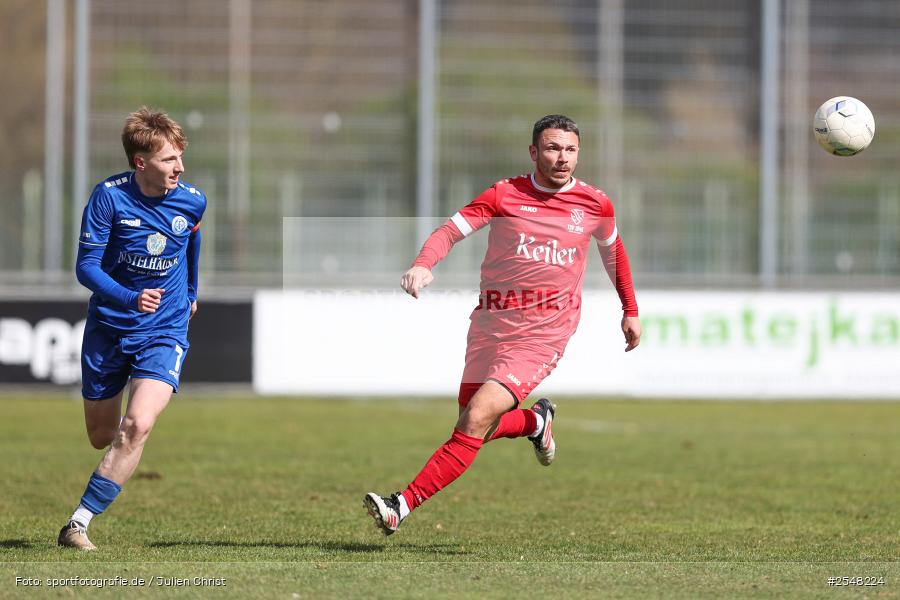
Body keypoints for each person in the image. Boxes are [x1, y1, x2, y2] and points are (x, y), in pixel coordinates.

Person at [364, 114, 641, 535]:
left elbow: (614, 253)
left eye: (570, 149)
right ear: (533, 152)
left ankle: (399, 505)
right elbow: (450, 231)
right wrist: (423, 264)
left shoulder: (594, 204)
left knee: (476, 418)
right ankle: (536, 423)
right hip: (491, 323)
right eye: (552, 148)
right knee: (473, 421)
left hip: (543, 333)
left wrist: (630, 309)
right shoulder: (504, 194)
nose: (562, 158)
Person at [57, 107, 207, 550]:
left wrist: (192, 291)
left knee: (138, 425)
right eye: (169, 159)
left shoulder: (192, 200)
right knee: (102, 435)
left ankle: (78, 523)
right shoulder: (108, 198)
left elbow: (192, 240)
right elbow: (86, 267)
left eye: (180, 156)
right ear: (140, 162)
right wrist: (129, 297)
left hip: (165, 327)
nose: (180, 167)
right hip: (110, 326)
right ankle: (115, 454)